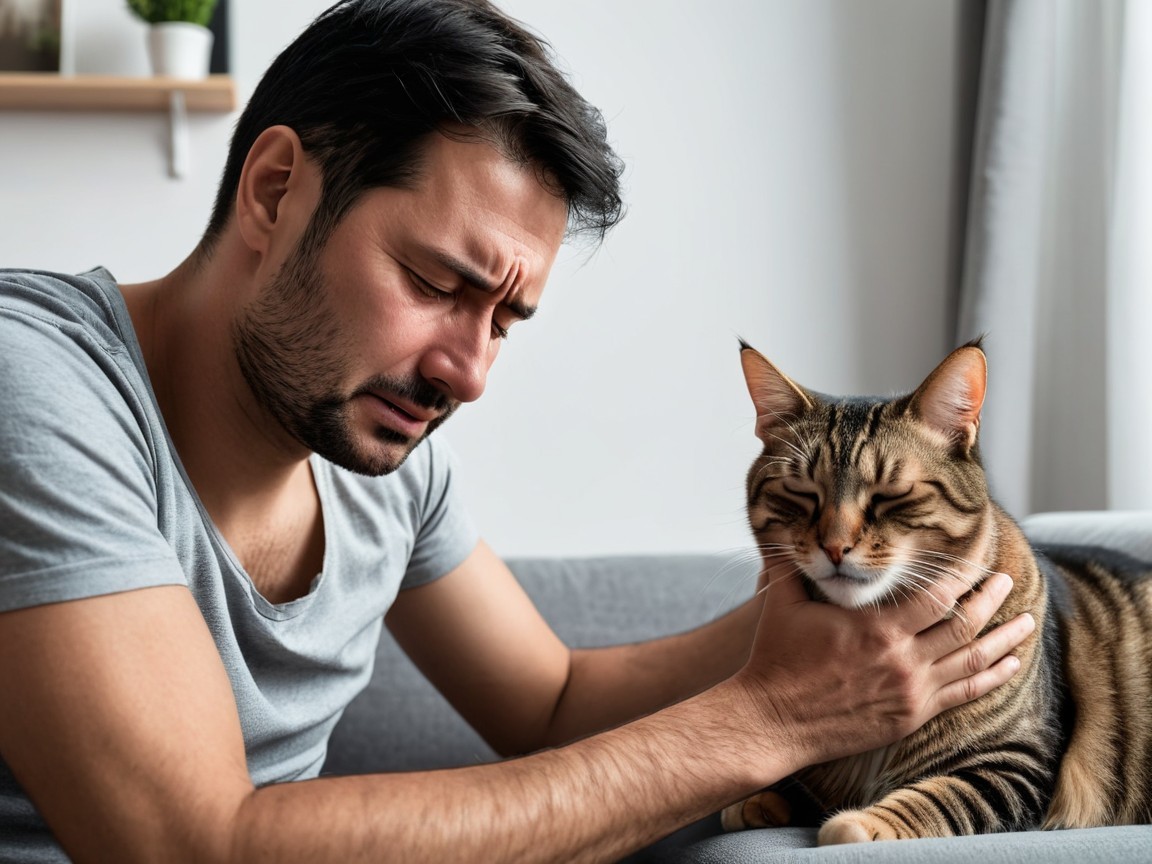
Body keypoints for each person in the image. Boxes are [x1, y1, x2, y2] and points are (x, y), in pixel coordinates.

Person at [0, 1, 1035, 861]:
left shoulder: (381, 455)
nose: (470, 372)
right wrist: (773, 720)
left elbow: (551, 703)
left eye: (505, 320)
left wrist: (846, 619)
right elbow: (193, 847)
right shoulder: (33, 385)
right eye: (435, 283)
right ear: (276, 192)